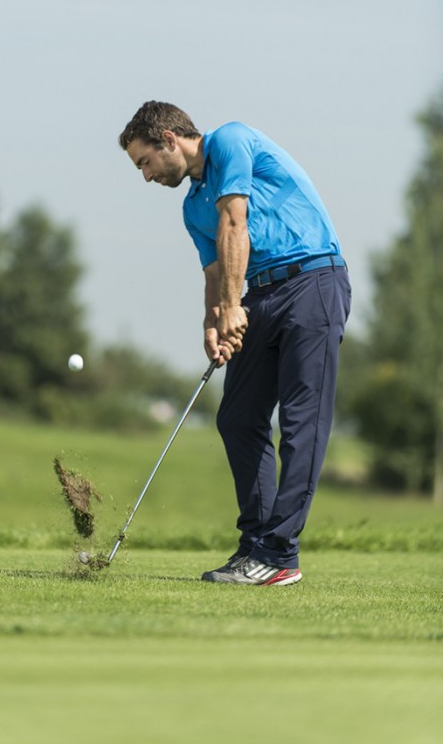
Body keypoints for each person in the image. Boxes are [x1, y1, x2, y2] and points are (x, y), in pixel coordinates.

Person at [119, 101, 351, 586]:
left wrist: (230, 307)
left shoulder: (230, 140)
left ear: (167, 137)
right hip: (259, 295)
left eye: (144, 161)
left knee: (300, 421)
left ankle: (280, 554)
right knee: (238, 417)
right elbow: (214, 270)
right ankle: (256, 545)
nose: (144, 176)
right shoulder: (190, 207)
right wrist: (213, 320)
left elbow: (234, 224)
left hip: (313, 281)